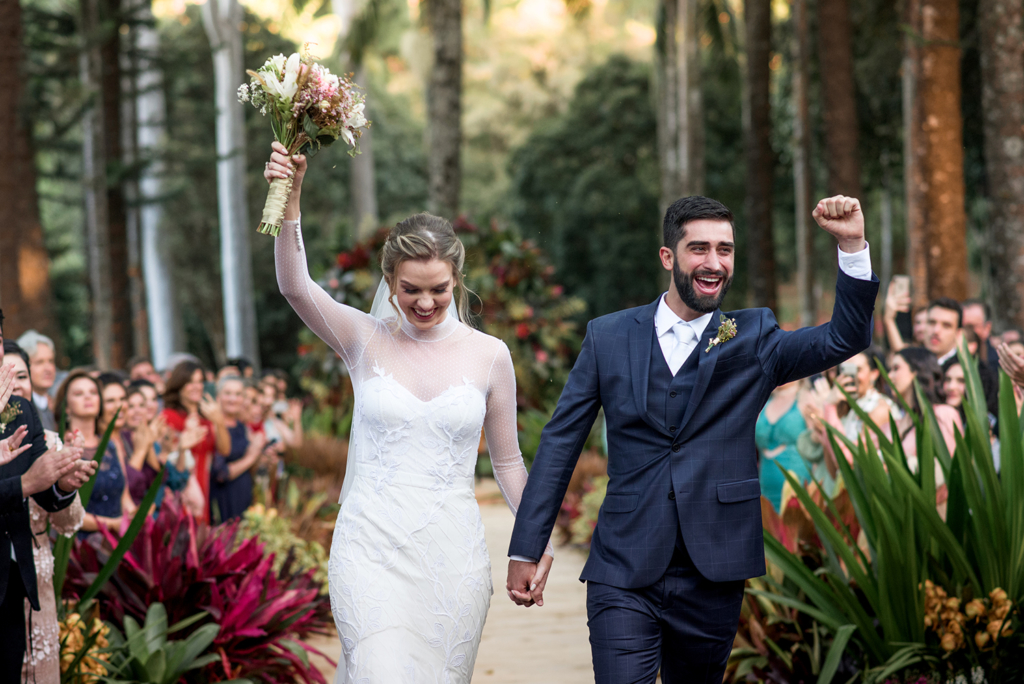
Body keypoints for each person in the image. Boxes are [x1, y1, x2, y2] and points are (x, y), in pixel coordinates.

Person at [506, 195, 877, 683]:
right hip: (623, 565)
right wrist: (526, 548)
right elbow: (560, 443)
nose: (714, 262)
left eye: (725, 250)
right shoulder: (608, 336)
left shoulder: (755, 337)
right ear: (668, 257)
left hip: (715, 568)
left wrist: (851, 244)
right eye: (699, 248)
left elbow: (843, 338)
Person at [267, 140, 552, 682]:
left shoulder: (490, 356)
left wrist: (534, 539)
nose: (424, 303)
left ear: (457, 281)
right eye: (410, 290)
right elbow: (295, 286)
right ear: (389, 281)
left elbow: (509, 463)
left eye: (439, 290)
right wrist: (290, 196)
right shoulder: (361, 338)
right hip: (368, 547)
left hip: (453, 554)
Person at [2, 342, 86, 683]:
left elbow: (54, 503)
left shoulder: (23, 412)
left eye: (20, 374)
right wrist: (24, 484)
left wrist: (64, 484)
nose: (13, 381)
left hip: (21, 575)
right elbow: (26, 483)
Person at [58, 371, 136, 539]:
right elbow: (63, 512)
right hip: (79, 546)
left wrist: (137, 516)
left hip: (117, 541)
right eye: (79, 394)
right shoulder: (59, 446)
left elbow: (125, 498)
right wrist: (113, 524)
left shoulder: (112, 445)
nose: (88, 397)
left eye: (93, 392)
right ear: (66, 407)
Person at [160, 362, 230, 524]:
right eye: (190, 382)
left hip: (205, 488)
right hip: (179, 489)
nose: (196, 386)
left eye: (199, 382)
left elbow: (225, 450)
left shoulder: (207, 418)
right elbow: (164, 455)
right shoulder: (168, 417)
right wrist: (184, 435)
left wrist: (219, 421)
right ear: (179, 386)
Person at [886, 348, 962, 469]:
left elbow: (950, 467)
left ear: (915, 371)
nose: (889, 376)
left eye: (896, 368)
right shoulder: (896, 422)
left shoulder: (942, 414)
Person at [209, 376, 266, 522]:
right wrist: (251, 457)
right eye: (228, 393)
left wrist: (261, 455)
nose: (233, 399)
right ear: (218, 396)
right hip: (223, 500)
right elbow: (221, 473)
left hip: (243, 496)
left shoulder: (242, 427)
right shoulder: (214, 426)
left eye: (238, 394)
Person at [756, 381, 811, 512]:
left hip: (798, 488)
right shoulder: (763, 401)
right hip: (765, 489)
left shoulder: (806, 399)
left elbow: (816, 446)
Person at [16, 330, 59, 431]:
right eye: (39, 362)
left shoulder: (55, 405)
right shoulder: (18, 408)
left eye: (51, 361)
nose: (48, 368)